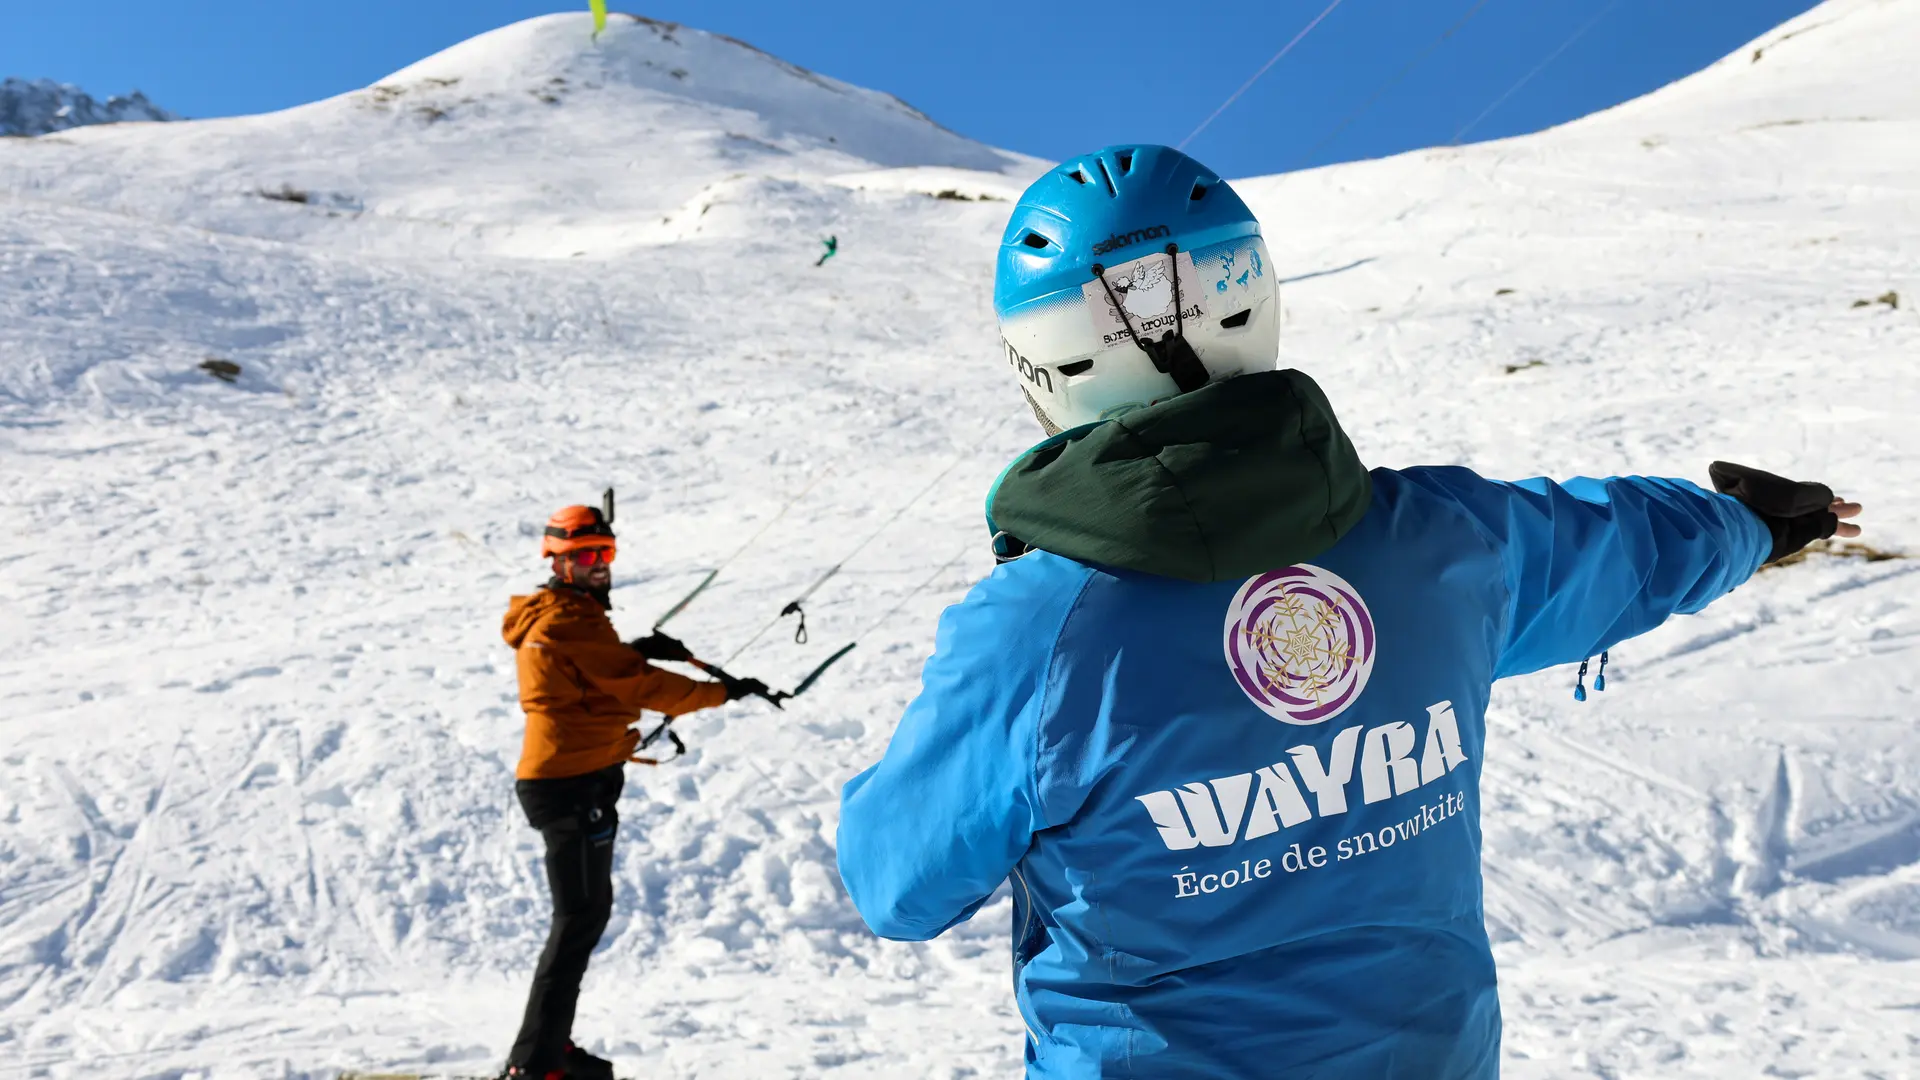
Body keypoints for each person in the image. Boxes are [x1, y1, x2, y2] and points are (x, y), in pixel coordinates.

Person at [834, 145, 1863, 1079]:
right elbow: (1623, 547)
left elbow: (898, 882)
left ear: (1041, 363)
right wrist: (1750, 525)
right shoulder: (1448, 541)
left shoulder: (1036, 633)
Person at [500, 502, 769, 1080]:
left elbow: (603, 671)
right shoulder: (569, 620)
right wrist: (721, 693)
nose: (599, 565)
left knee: (586, 916)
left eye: (606, 553)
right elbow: (640, 684)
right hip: (570, 787)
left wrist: (632, 652)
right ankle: (535, 1064)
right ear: (558, 561)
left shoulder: (572, 613)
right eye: (585, 556)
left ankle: (552, 1049)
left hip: (577, 779)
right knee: (577, 920)